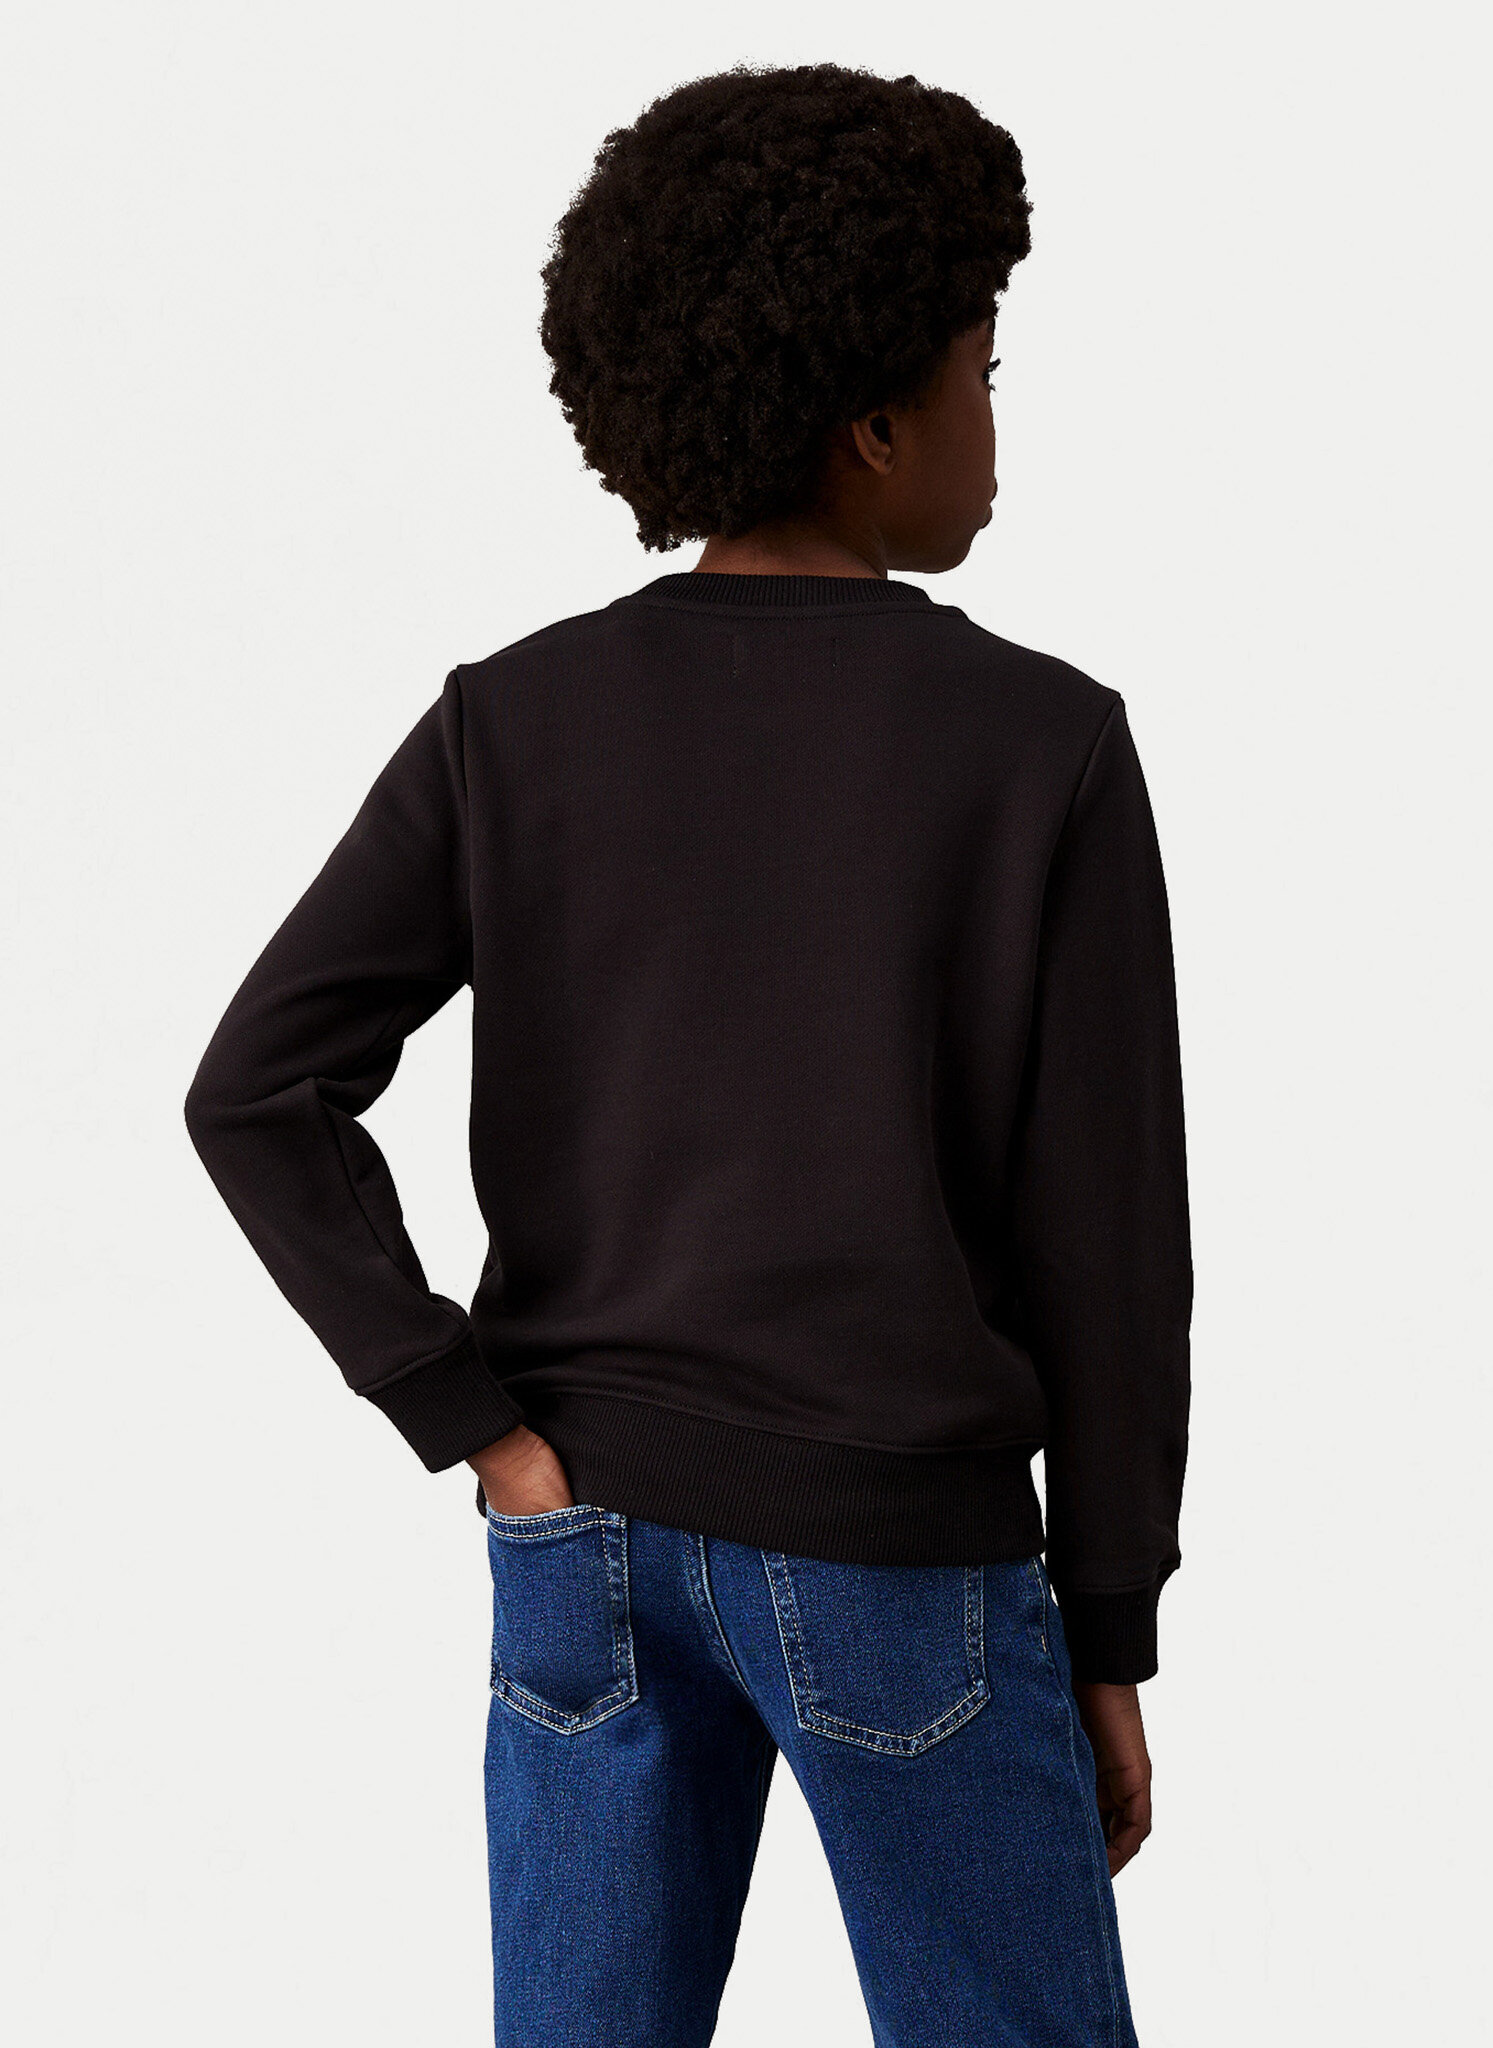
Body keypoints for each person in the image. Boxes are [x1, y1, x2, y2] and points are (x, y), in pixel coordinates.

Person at [184, 60, 1193, 2048]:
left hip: (582, 1538)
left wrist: (479, 1426)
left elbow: (256, 1087)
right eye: (985, 371)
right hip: (905, 1555)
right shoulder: (1042, 746)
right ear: (874, 425)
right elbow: (1109, 1246)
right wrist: (1111, 1624)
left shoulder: (515, 721)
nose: (997, 423)